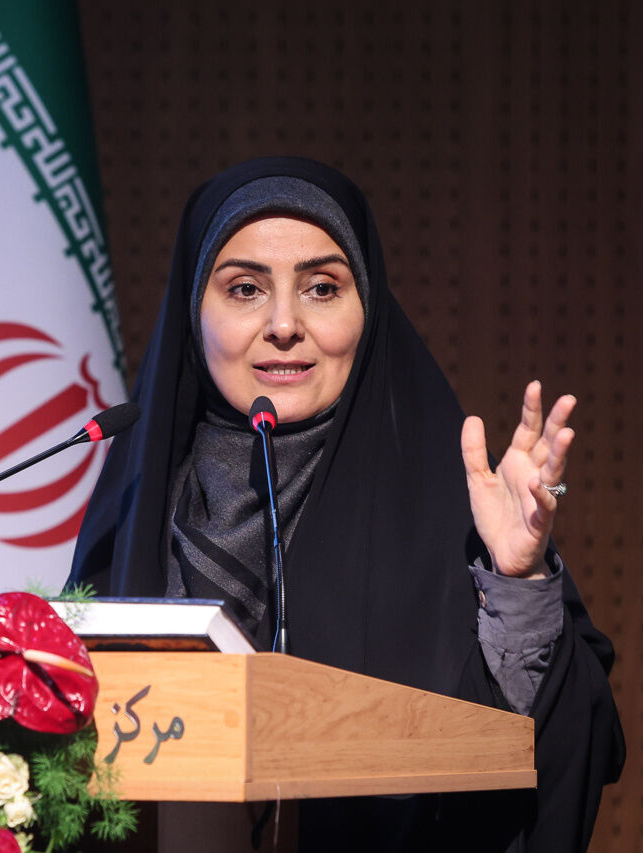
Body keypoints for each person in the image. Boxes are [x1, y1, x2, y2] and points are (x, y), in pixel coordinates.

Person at [67, 157, 624, 852]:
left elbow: (568, 741)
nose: (283, 324)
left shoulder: (455, 510)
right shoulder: (138, 509)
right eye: (245, 288)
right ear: (193, 311)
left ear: (367, 310)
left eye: (322, 288)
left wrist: (519, 583)